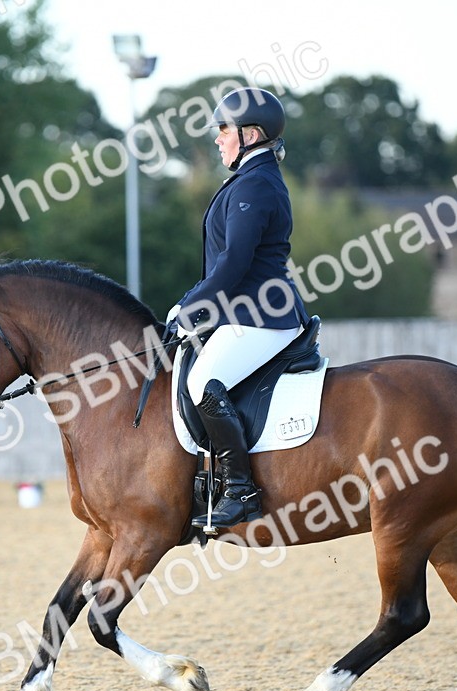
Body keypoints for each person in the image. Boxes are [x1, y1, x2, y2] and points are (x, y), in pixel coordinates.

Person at [166, 87, 310, 529]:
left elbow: (233, 265)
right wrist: (187, 303)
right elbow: (221, 267)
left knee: (204, 382)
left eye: (223, 130)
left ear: (250, 134)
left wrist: (189, 308)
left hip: (263, 315)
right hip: (245, 313)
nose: (217, 138)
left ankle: (240, 490)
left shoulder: (257, 184)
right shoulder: (250, 179)